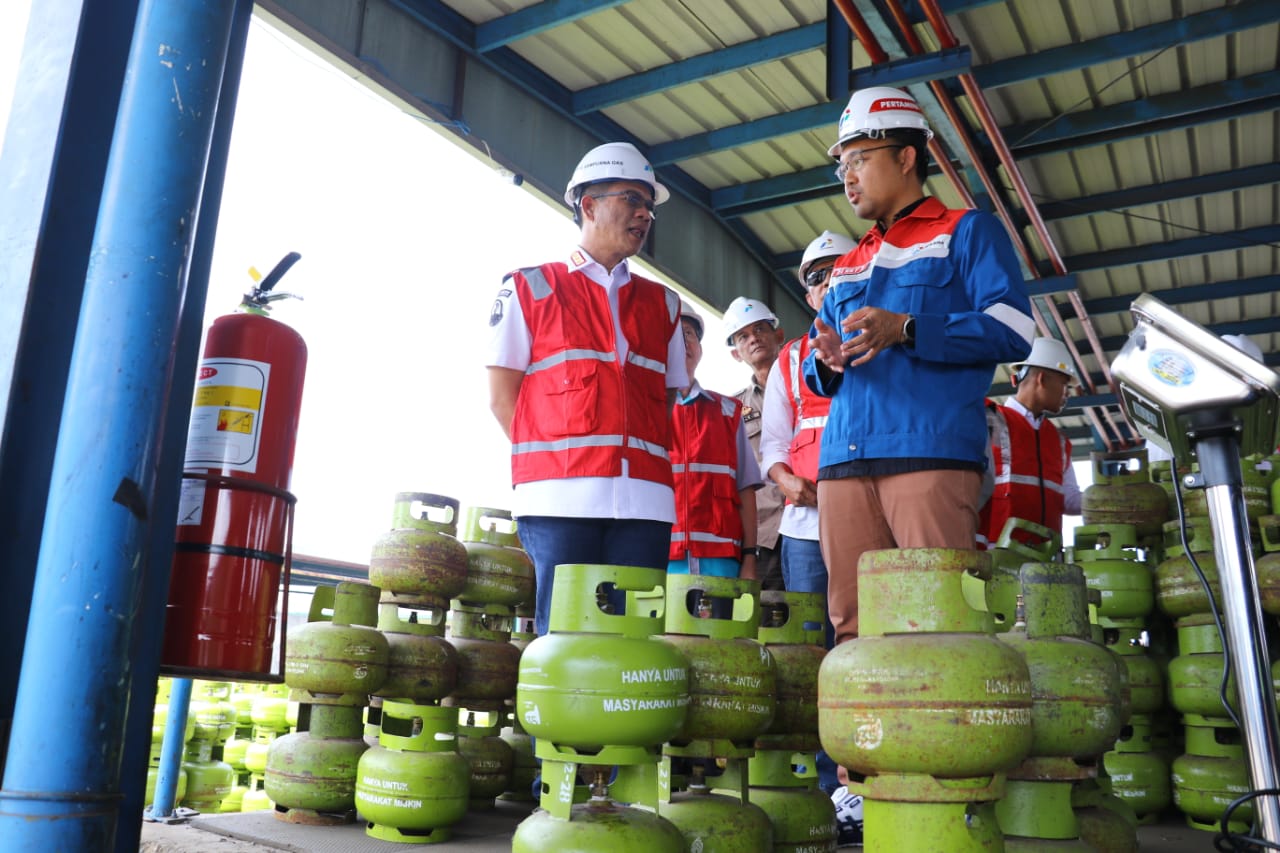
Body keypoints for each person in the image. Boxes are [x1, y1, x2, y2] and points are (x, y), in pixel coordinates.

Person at [803, 85, 1036, 646]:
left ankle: (942, 734)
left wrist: (907, 328)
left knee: (937, 621)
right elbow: (822, 370)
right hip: (843, 462)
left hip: (926, 454)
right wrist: (828, 362)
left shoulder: (966, 231)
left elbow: (1014, 329)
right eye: (843, 165)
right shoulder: (850, 264)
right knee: (852, 626)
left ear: (907, 156)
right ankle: (859, 735)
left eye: (860, 158)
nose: (849, 177)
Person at [485, 141, 688, 636]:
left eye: (648, 206)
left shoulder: (664, 304)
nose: (644, 214)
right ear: (588, 205)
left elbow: (663, 401)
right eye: (631, 200)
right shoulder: (530, 288)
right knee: (564, 636)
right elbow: (501, 397)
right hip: (558, 499)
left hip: (644, 501)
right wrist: (560, 463)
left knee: (635, 638)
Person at [761, 230, 855, 648]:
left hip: (865, 518)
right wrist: (786, 482)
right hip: (804, 527)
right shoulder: (790, 359)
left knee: (864, 630)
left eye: (837, 271)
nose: (827, 283)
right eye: (816, 277)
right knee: (810, 637)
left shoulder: (882, 343)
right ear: (809, 296)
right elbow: (774, 443)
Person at [668, 301, 763, 584]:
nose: (683, 341)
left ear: (699, 348)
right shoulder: (643, 409)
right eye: (673, 334)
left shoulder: (728, 411)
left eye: (689, 334)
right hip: (661, 560)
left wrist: (749, 559)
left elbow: (745, 492)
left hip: (722, 562)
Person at [979, 337, 1083, 548]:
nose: (1067, 394)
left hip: (1045, 556)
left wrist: (1111, 499)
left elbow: (1069, 499)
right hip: (996, 553)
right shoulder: (988, 420)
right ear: (1042, 379)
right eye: (1064, 384)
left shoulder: (1059, 441)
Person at [726, 296, 787, 591]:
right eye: (743, 336)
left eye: (760, 329)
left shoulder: (811, 387)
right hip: (764, 537)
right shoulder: (732, 409)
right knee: (765, 625)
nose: (754, 339)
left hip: (811, 525)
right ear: (736, 354)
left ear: (778, 335)